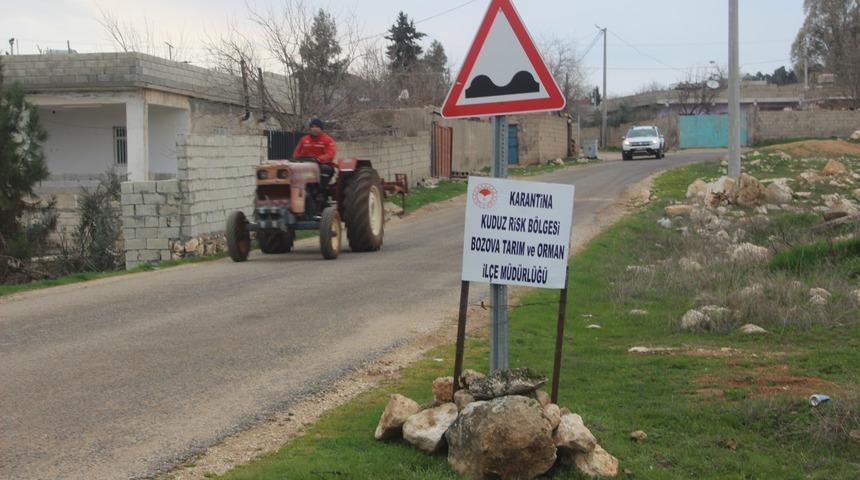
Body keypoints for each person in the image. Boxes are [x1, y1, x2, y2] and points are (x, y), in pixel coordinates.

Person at [292, 119, 337, 200]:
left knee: (325, 169)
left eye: (317, 127)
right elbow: (296, 153)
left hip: (322, 164)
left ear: (321, 129)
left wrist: (319, 159)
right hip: (305, 165)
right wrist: (296, 159)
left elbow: (330, 153)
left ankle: (321, 192)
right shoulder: (304, 140)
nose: (314, 128)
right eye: (312, 127)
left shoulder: (327, 140)